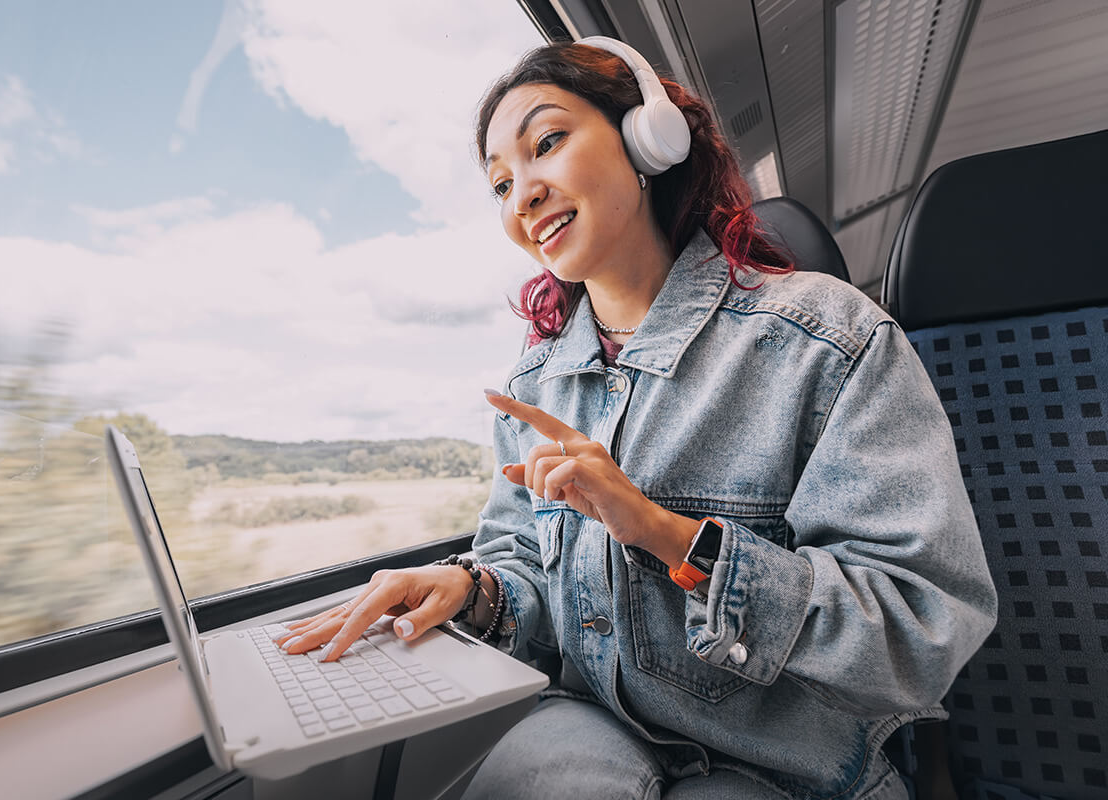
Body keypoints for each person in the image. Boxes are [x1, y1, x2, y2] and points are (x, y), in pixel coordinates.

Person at [275, 38, 997, 799]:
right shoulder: (535, 385)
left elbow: (919, 632)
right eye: (499, 183)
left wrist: (663, 533)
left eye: (546, 143)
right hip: (596, 725)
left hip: (787, 761)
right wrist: (472, 590)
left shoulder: (829, 341)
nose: (521, 195)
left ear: (649, 140)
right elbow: (531, 581)